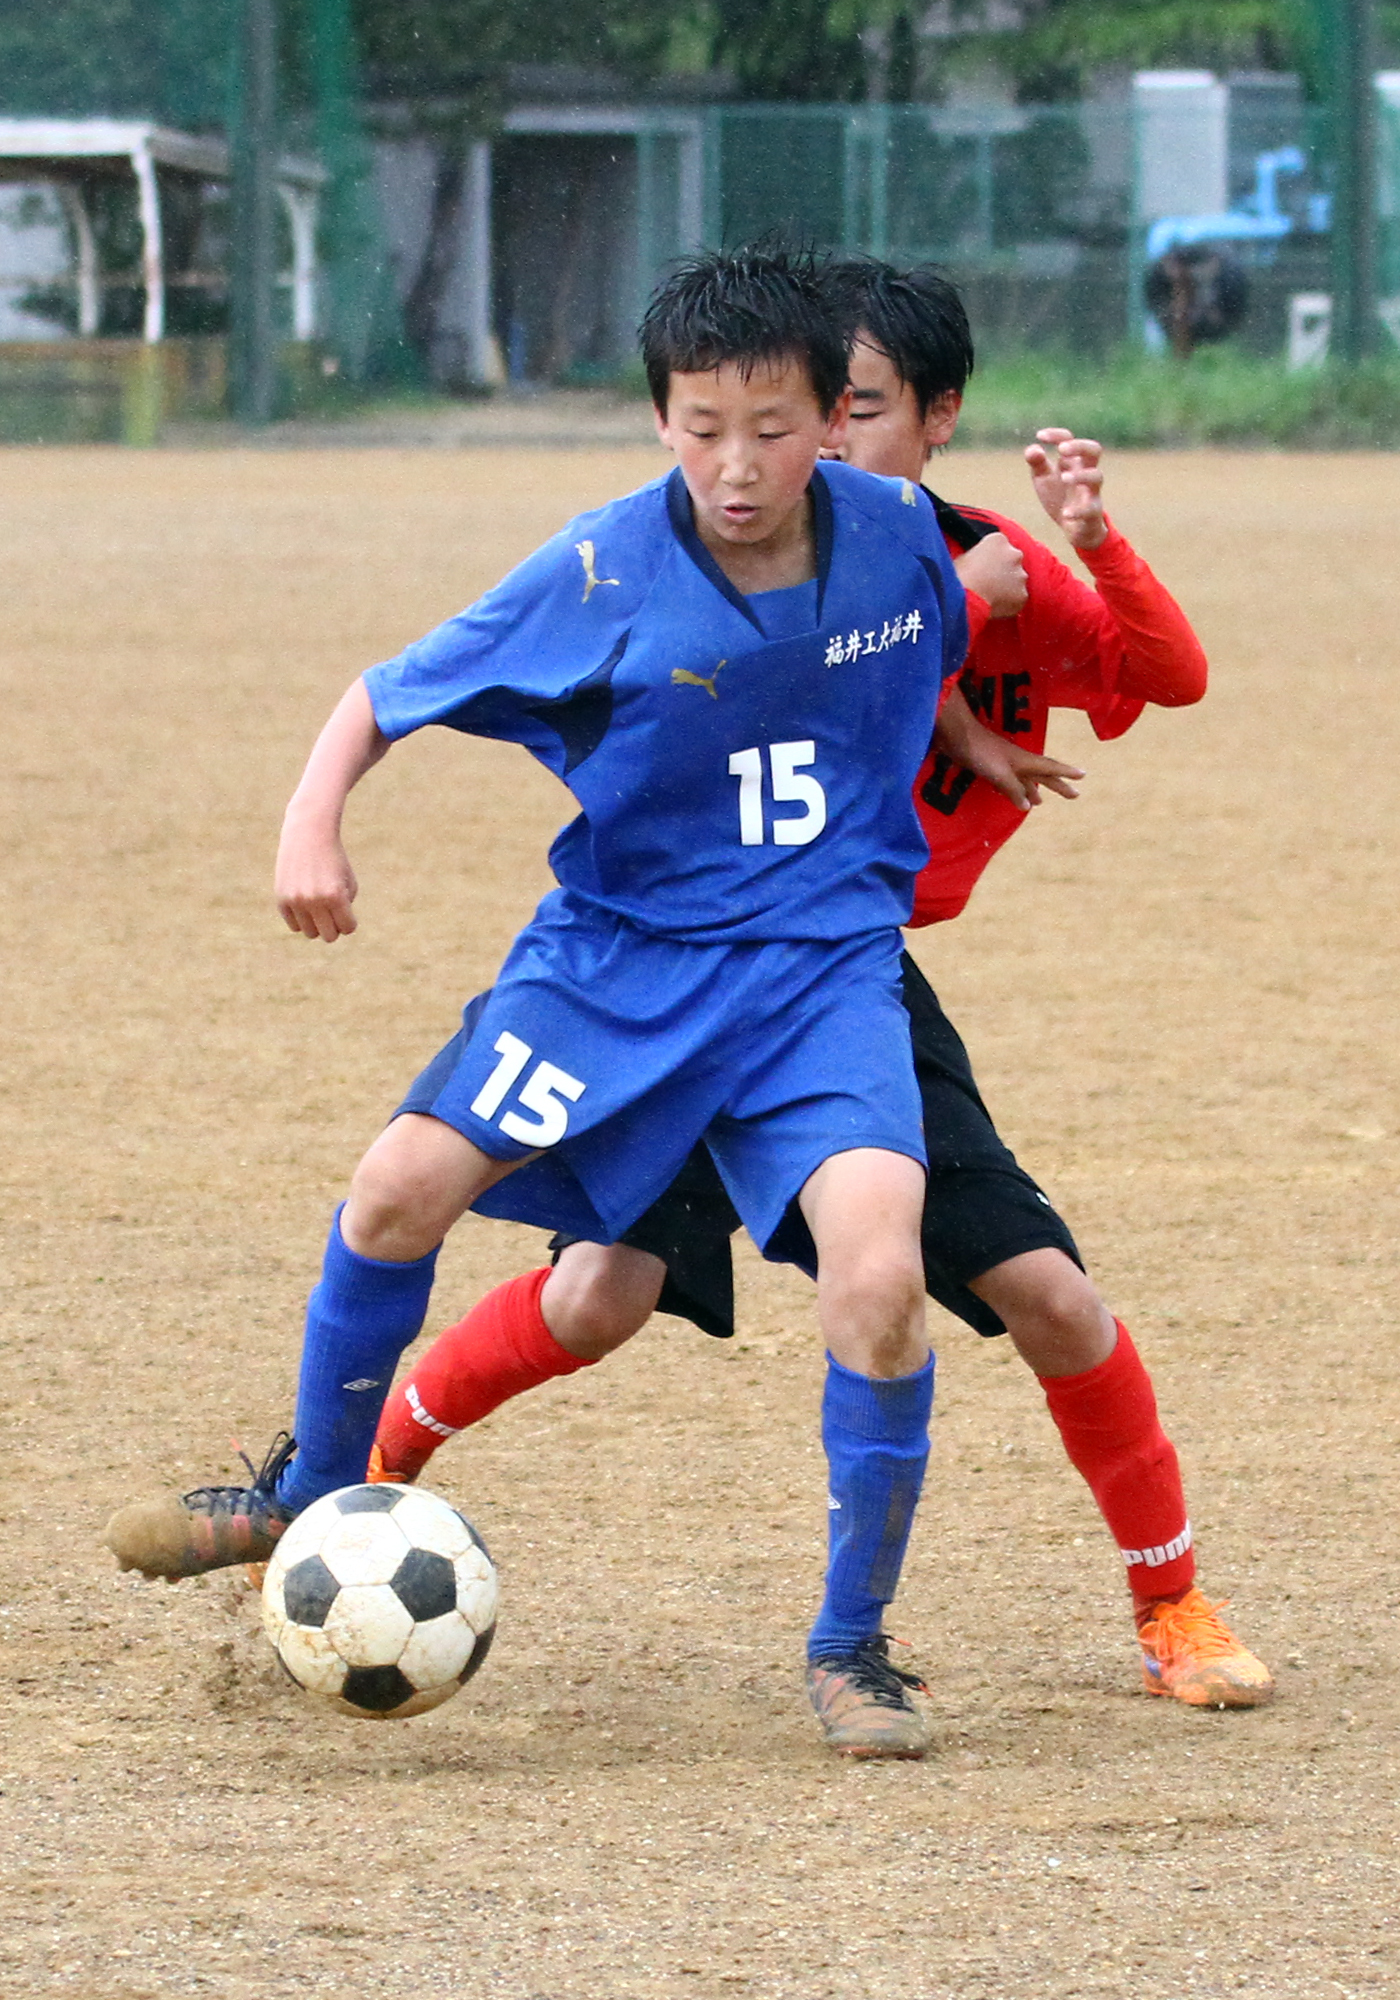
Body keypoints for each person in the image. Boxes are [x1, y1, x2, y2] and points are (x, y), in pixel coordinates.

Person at [360, 260, 1273, 1747]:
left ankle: (1167, 1600)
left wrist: (1087, 548)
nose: (817, 446)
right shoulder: (765, 555)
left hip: (841, 988)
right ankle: (366, 1472)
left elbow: (1163, 675)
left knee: (1047, 1294)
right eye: (806, 416)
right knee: (597, 1296)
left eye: (852, 411)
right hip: (681, 976)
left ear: (936, 418)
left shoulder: (957, 557)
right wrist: (952, 703)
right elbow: (780, 665)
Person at [104, 247, 971, 1759]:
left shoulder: (901, 535)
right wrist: (312, 825)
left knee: (880, 1279)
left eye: (771, 428)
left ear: (834, 419)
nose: (735, 465)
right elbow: (384, 694)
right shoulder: (599, 572)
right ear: (658, 420)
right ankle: (311, 1492)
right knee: (397, 1192)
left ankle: (852, 1651)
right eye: (700, 428)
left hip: (817, 981)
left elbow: (921, 647)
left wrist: (972, 733)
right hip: (619, 966)